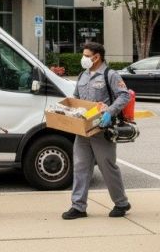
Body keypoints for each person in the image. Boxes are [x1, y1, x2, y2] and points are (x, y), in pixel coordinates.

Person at [62, 42, 131, 220]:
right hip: (83, 129)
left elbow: (124, 95)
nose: (83, 58)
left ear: (96, 57)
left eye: (86, 55)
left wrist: (109, 112)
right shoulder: (82, 75)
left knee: (107, 166)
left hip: (101, 129)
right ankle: (78, 206)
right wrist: (70, 110)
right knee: (80, 167)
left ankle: (121, 203)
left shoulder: (110, 75)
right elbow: (77, 98)